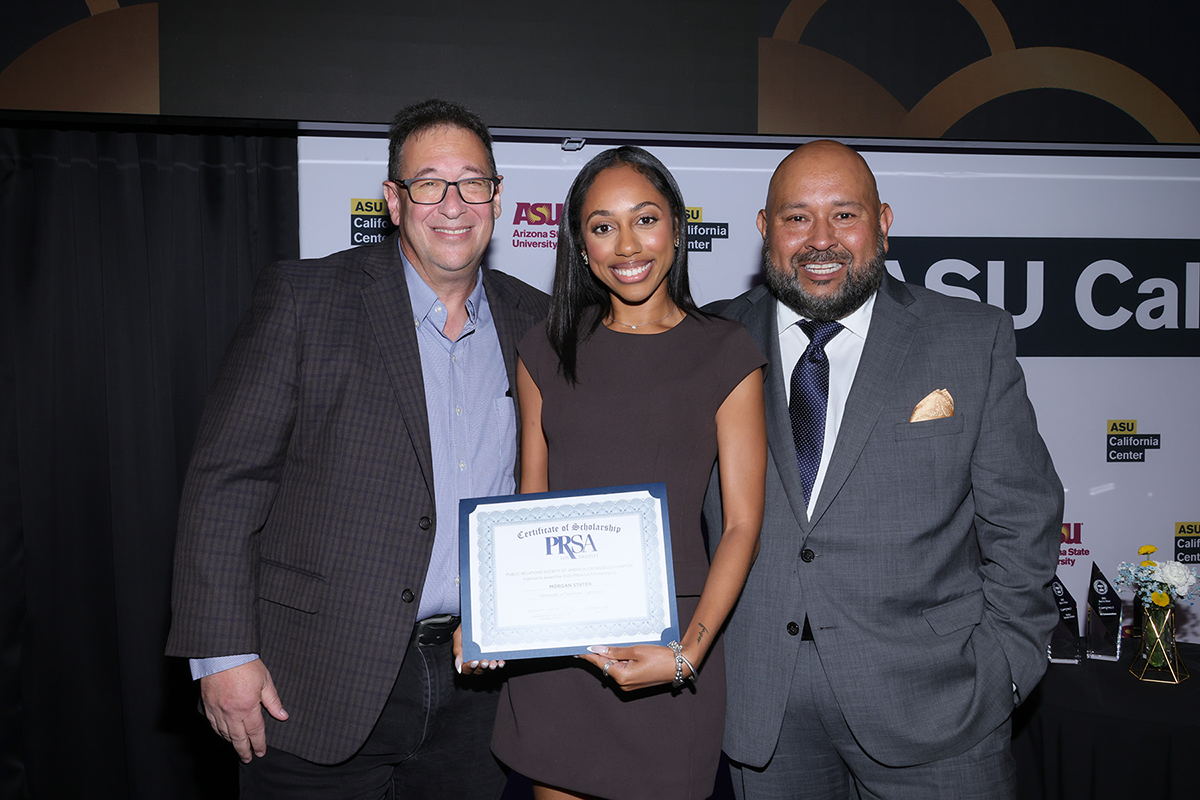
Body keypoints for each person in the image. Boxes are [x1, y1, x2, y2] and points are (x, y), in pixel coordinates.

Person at [165, 99, 548, 798]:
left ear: (497, 198)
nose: (453, 204)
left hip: (479, 687)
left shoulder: (537, 321)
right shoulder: (306, 299)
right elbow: (226, 483)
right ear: (394, 202)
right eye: (429, 183)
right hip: (315, 680)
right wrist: (221, 654)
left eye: (472, 183)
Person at [703, 140, 1064, 800]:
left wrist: (1006, 669)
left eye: (844, 214)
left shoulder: (970, 337)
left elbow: (1024, 519)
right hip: (765, 708)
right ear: (764, 228)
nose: (821, 239)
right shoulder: (709, 340)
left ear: (884, 222)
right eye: (796, 217)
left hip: (940, 708)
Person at [491, 146, 767, 800]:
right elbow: (530, 506)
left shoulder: (726, 351)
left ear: (675, 225)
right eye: (603, 226)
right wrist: (499, 621)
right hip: (559, 655)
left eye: (645, 219)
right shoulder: (544, 349)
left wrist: (687, 653)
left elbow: (742, 525)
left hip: (671, 647)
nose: (627, 245)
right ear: (580, 244)